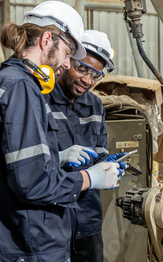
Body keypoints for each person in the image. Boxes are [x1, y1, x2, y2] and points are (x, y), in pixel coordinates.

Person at [0, 1, 123, 262]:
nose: (65, 62)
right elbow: (33, 184)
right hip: (22, 244)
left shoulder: (5, 82)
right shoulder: (22, 89)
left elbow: (12, 166)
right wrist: (89, 178)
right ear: (47, 39)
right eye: (67, 52)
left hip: (10, 240)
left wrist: (54, 158)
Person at [44, 30, 127, 262]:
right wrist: (58, 157)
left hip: (88, 220)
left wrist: (107, 165)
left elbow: (100, 150)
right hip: (51, 221)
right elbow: (28, 165)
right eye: (82, 69)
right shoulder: (40, 99)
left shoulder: (94, 105)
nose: (88, 81)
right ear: (67, 59)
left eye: (95, 75)